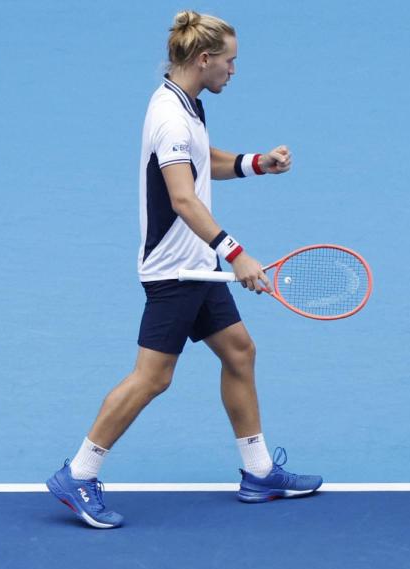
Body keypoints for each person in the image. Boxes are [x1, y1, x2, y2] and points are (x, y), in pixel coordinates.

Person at [46, 11, 321, 529]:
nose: (234, 71)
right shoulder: (171, 116)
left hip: (198, 263)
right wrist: (237, 253)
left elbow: (198, 162)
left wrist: (255, 163)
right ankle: (78, 474)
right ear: (203, 59)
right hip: (176, 271)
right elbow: (182, 197)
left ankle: (258, 472)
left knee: (240, 351)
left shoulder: (184, 103)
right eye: (230, 61)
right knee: (153, 378)